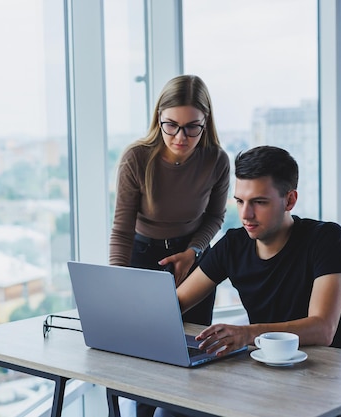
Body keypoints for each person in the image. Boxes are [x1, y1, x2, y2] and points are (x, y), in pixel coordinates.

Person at [152, 145, 341, 417]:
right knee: (169, 411)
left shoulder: (326, 239)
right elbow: (175, 303)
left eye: (259, 202)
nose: (246, 214)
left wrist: (246, 334)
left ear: (290, 200)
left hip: (321, 378)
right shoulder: (234, 244)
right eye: (240, 201)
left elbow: (323, 329)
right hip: (260, 375)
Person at [109, 74, 229, 417]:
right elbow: (121, 230)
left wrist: (193, 252)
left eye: (193, 127)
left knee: (195, 352)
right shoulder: (137, 158)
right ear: (158, 119)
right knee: (146, 359)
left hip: (193, 260)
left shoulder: (217, 160)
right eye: (171, 125)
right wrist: (118, 283)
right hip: (143, 256)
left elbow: (215, 218)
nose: (181, 137)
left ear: (206, 123)